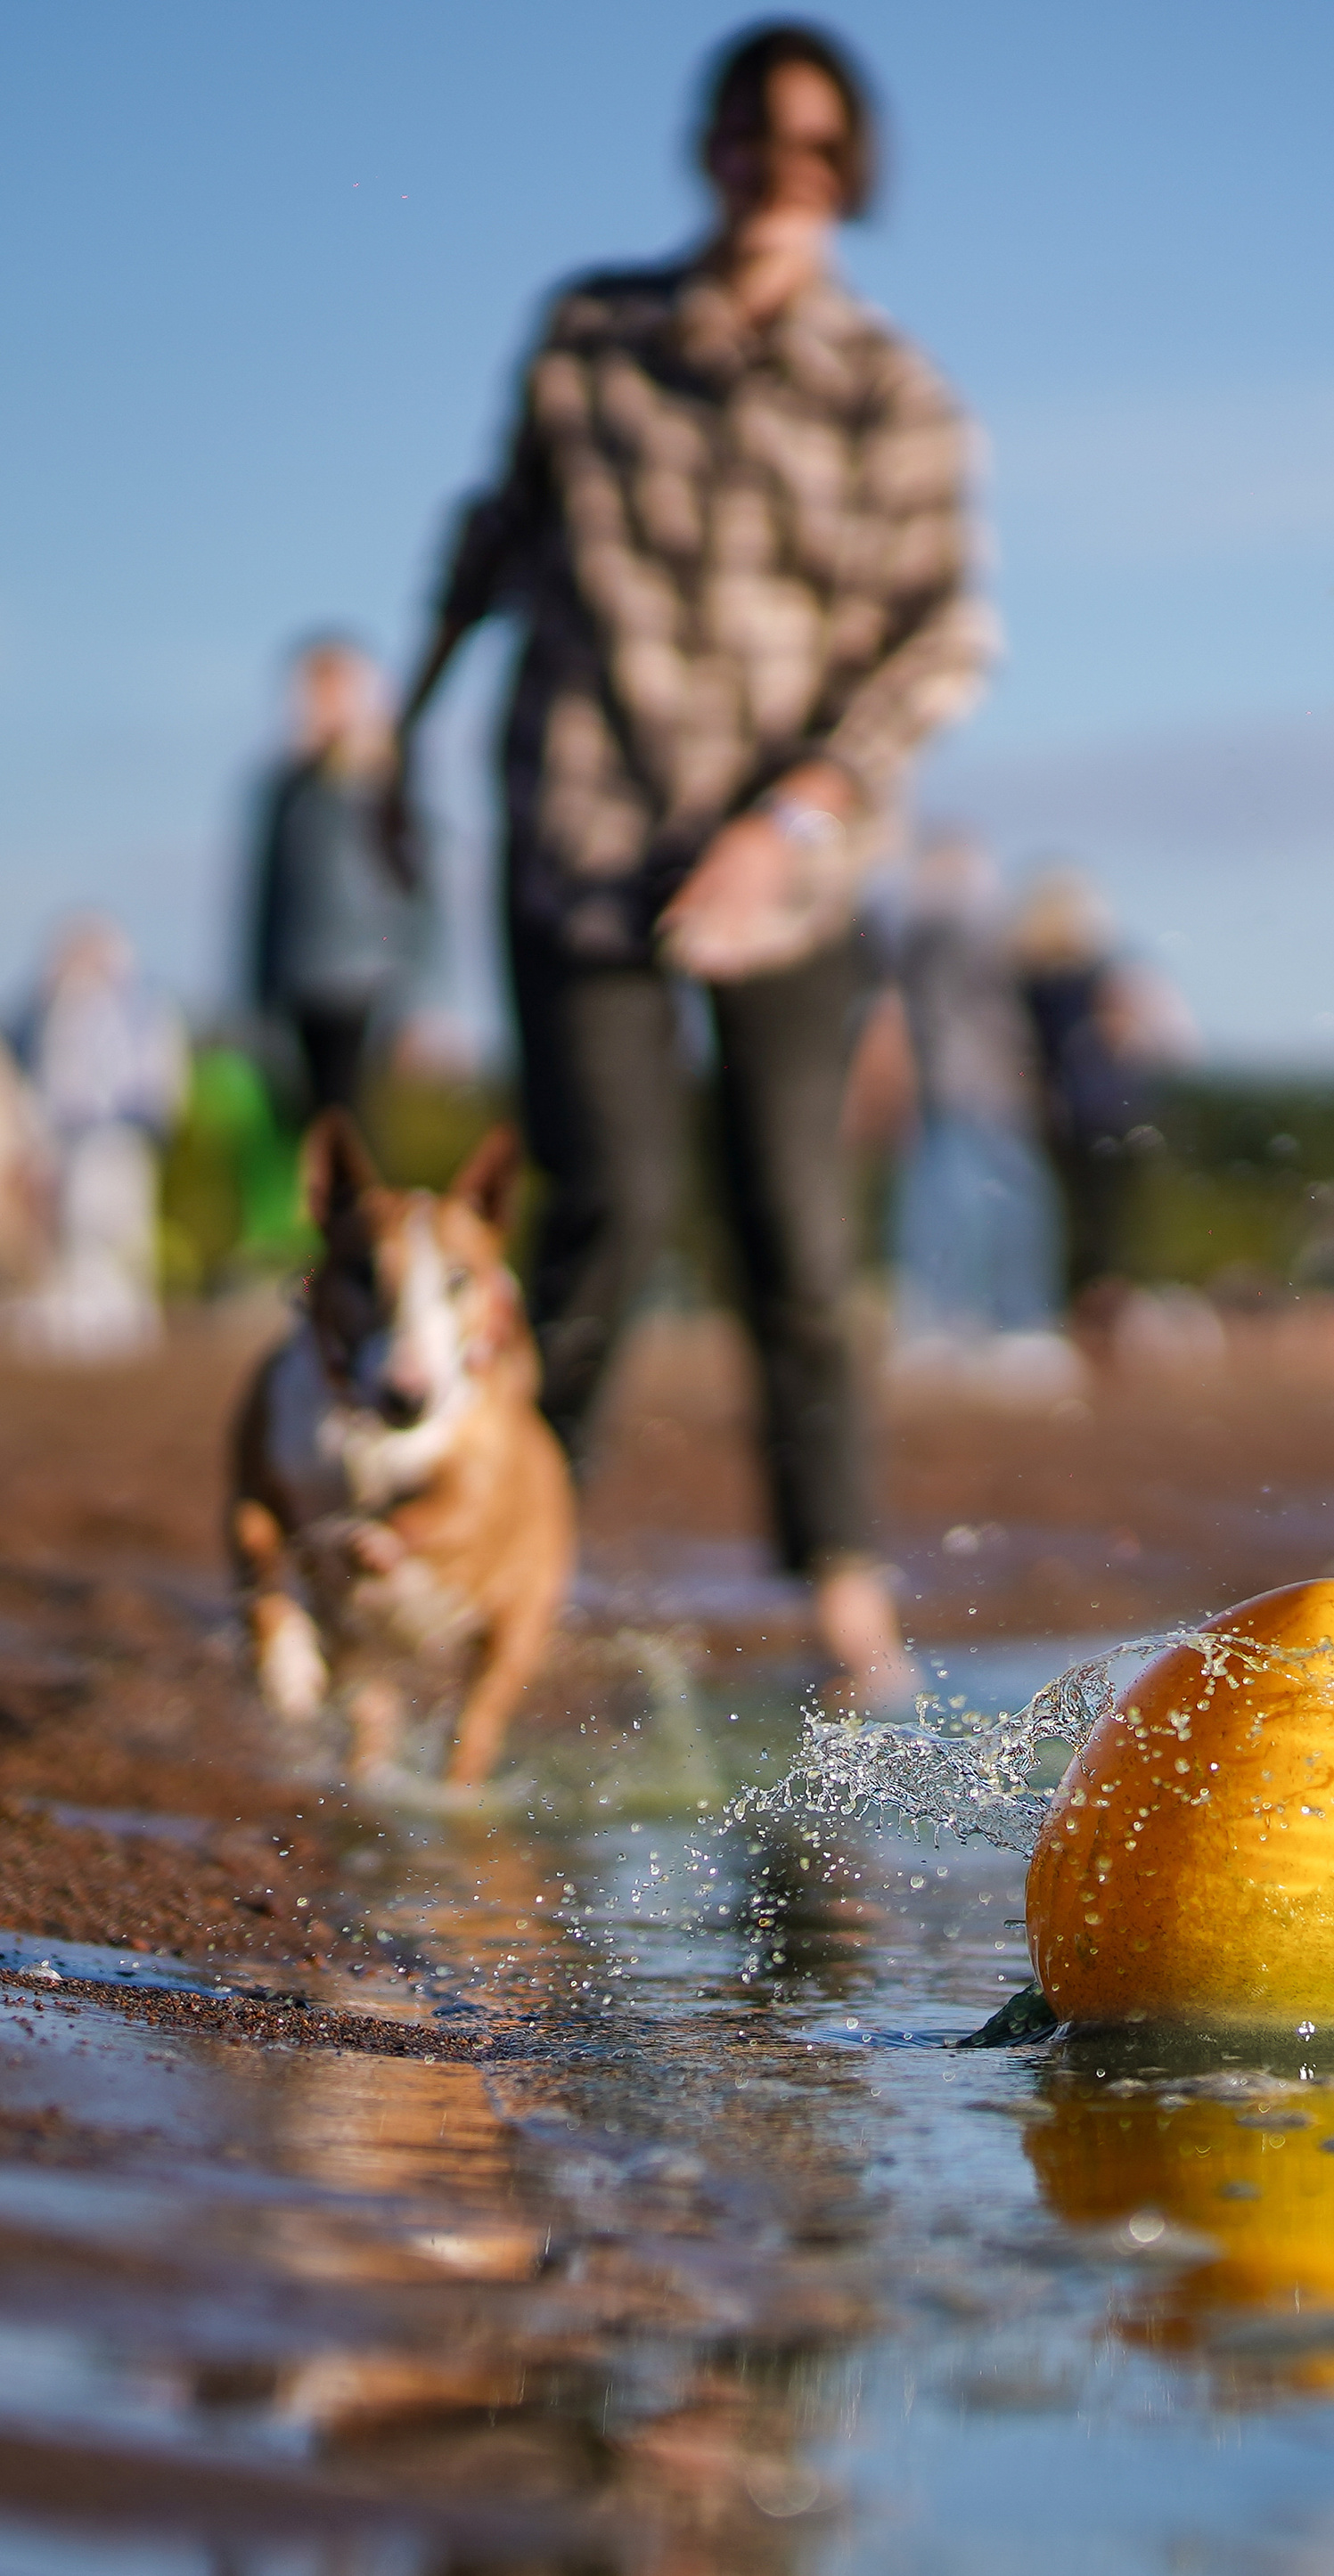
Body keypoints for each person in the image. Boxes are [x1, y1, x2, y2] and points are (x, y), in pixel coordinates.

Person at [386, 21, 993, 1703]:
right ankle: (504, 1548)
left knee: (796, 1228)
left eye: (812, 149)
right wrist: (398, 733)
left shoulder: (896, 392)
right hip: (578, 822)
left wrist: (789, 817)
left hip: (789, 867)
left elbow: (942, 645)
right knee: (609, 1208)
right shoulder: (590, 333)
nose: (775, 172)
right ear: (708, 149)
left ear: (848, 174)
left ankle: (847, 1599)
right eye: (749, 137)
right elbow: (492, 538)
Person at [882, 831, 1061, 1357]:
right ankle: (985, 1321)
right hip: (971, 1087)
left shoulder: (936, 926)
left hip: (974, 1088)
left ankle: (988, 1320)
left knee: (973, 1200)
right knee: (970, 1200)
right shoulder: (953, 925)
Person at [248, 638, 429, 1118]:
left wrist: (418, 993)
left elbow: (416, 891)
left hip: (372, 979)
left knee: (359, 1122)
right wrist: (258, 1000)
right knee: (308, 1122)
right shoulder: (285, 786)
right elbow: (266, 898)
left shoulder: (385, 778)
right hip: (301, 983)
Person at [1011, 864, 1195, 1323]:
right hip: (1108, 1114)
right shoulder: (1103, 974)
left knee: (1081, 1222)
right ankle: (1104, 1311)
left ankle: (1090, 1310)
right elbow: (1171, 1041)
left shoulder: (1032, 981)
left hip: (1065, 1117)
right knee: (1110, 1224)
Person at [10, 914, 185, 1362]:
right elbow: (47, 1080)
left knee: (122, 1229)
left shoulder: (141, 1006)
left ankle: (128, 1317)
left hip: (123, 1134)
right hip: (80, 1141)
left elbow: (163, 1074)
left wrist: (155, 1123)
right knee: (84, 1231)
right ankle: (90, 1321)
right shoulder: (56, 1008)